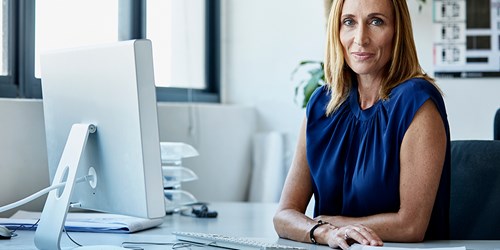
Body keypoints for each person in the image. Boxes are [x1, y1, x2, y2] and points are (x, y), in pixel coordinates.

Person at [273, 0, 451, 249]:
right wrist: (323, 232)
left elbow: (411, 226)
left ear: (398, 31)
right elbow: (284, 215)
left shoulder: (416, 101)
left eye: (376, 22)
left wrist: (334, 224)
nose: (360, 38)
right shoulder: (321, 103)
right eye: (349, 22)